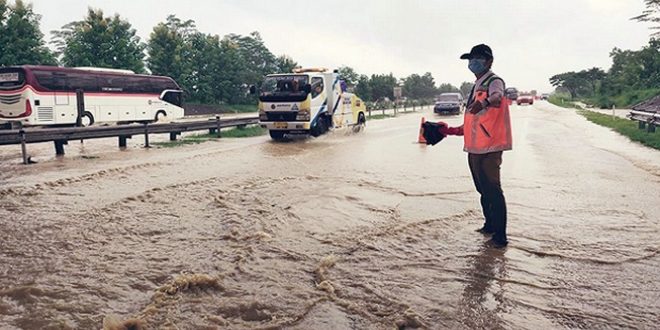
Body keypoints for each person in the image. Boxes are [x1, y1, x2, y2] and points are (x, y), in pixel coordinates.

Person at [439, 44, 513, 248]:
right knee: (482, 190)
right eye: (470, 59)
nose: (472, 63)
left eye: (477, 58)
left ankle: (500, 237)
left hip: (490, 147)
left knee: (493, 190)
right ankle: (489, 226)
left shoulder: (494, 81)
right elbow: (473, 121)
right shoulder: (475, 85)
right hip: (474, 149)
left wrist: (485, 102)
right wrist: (450, 131)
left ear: (489, 61)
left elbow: (497, 97)